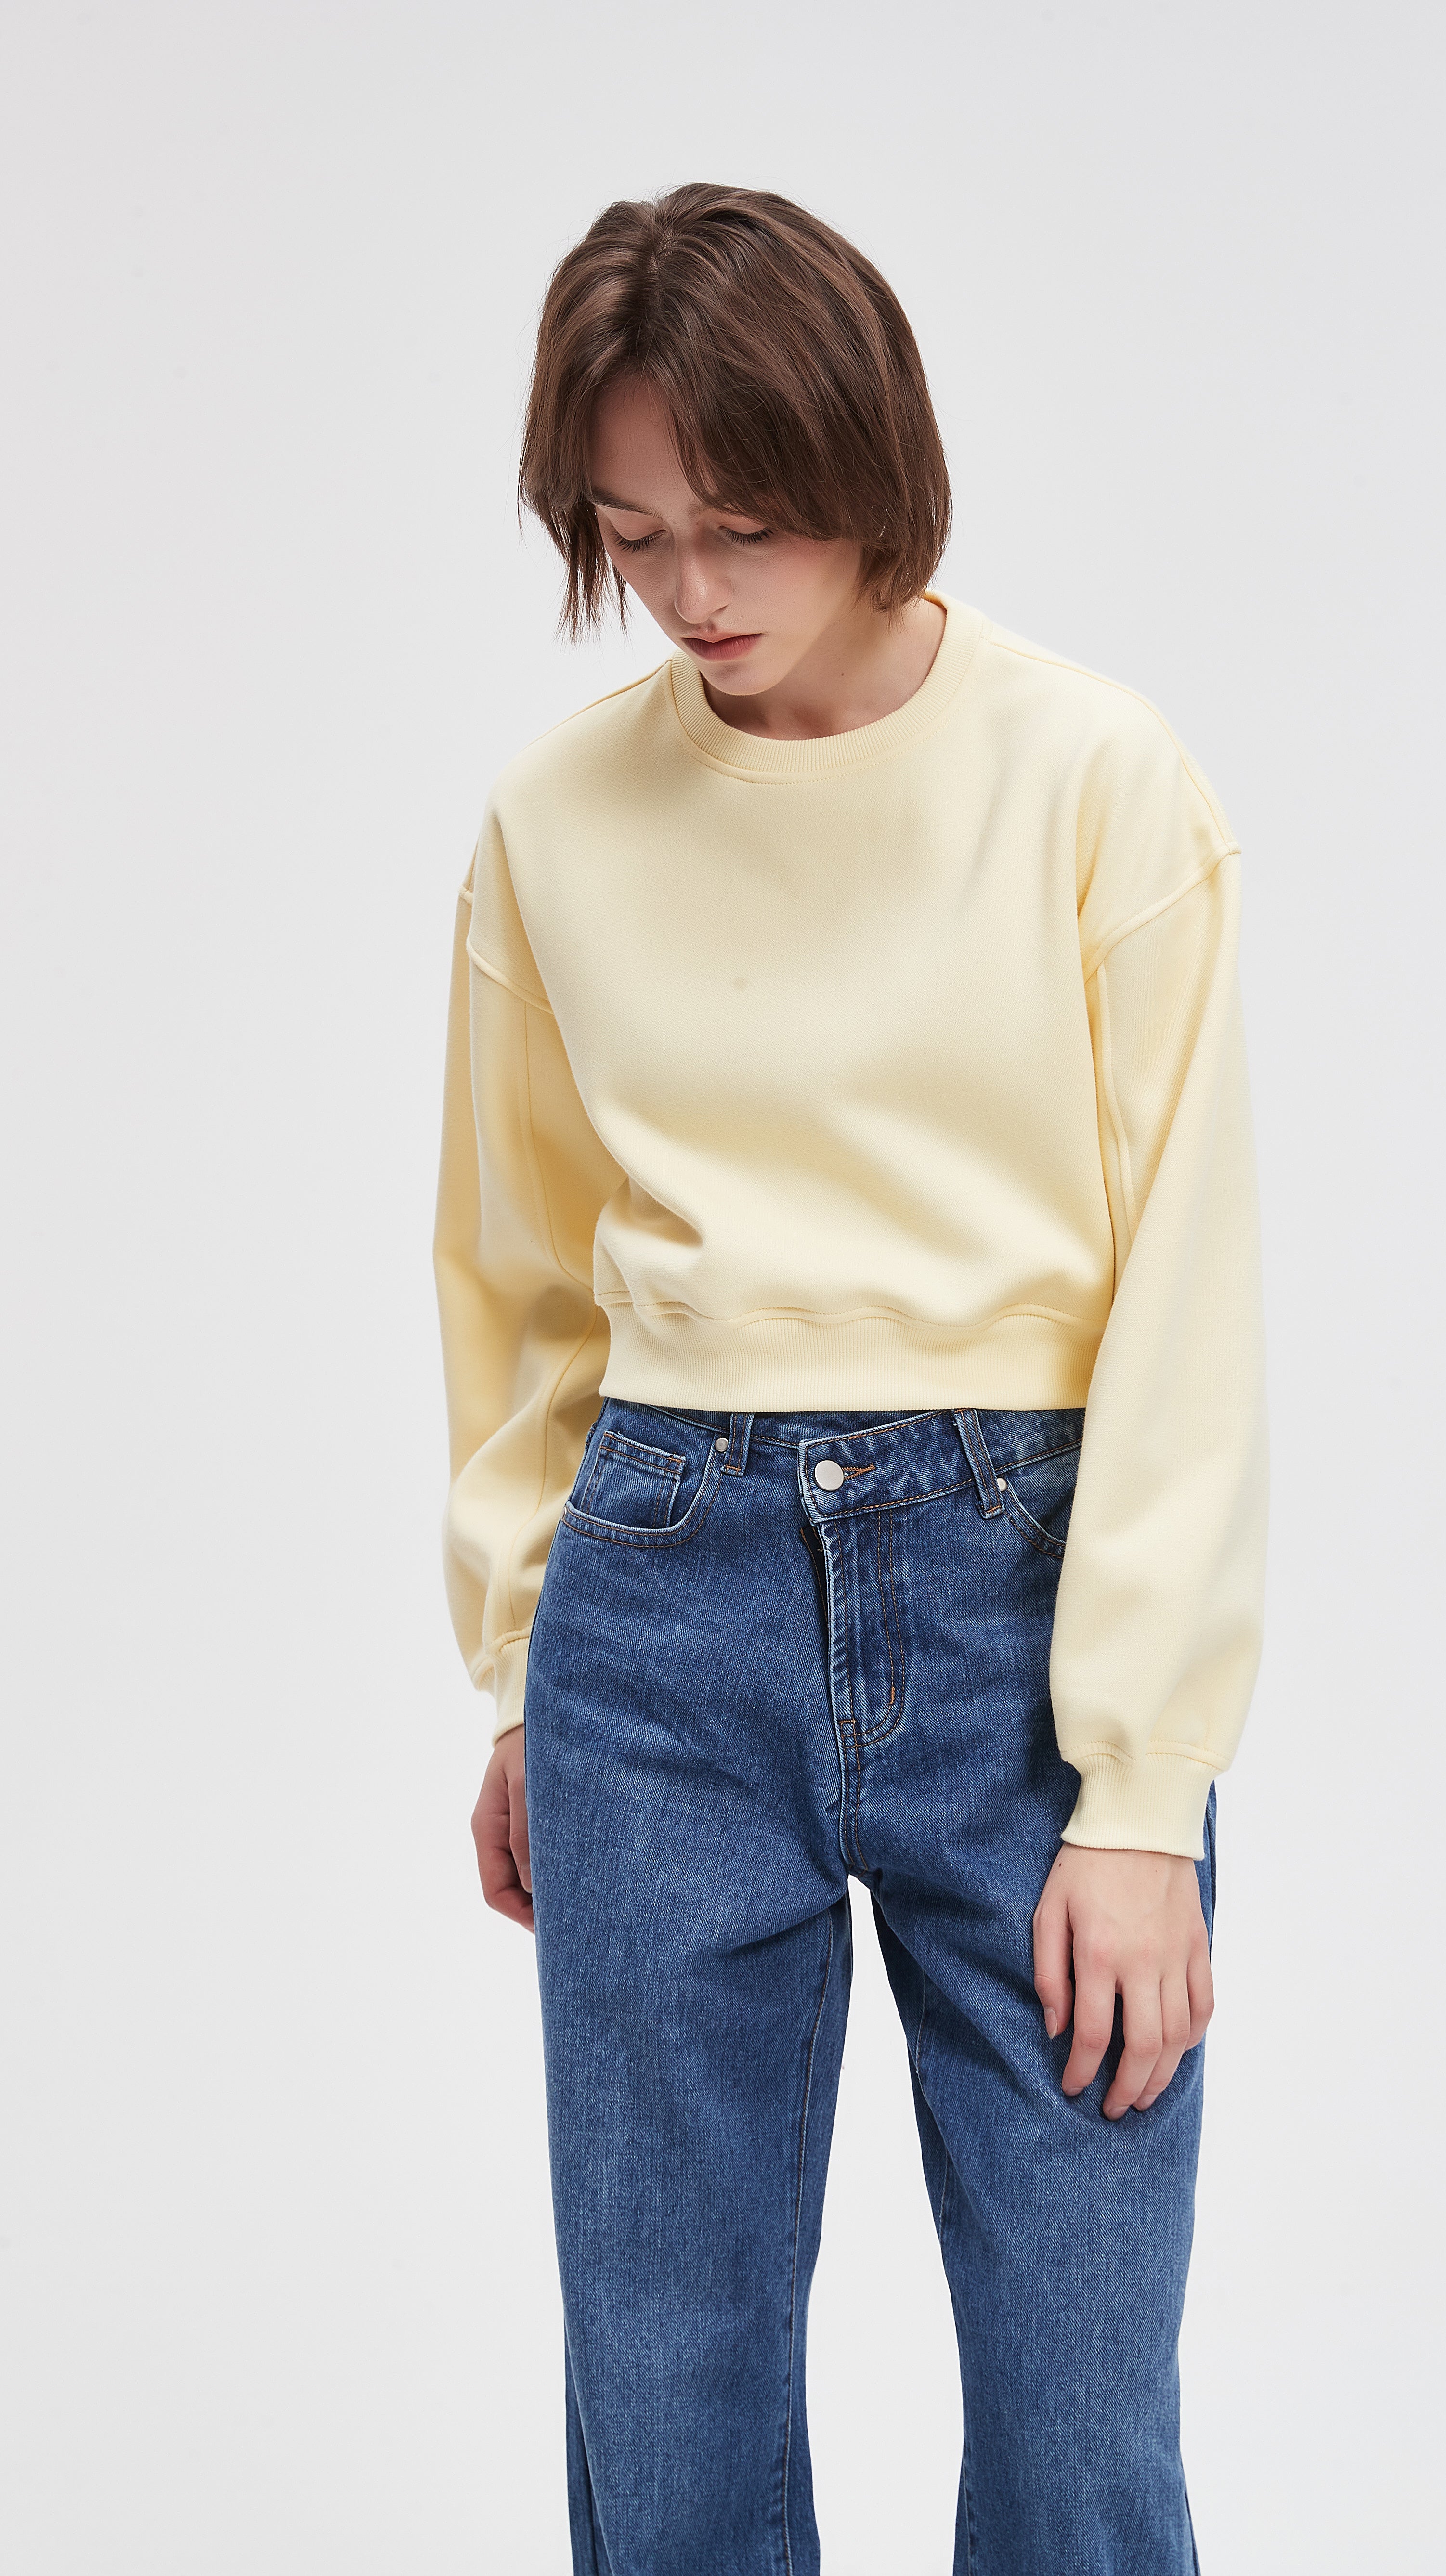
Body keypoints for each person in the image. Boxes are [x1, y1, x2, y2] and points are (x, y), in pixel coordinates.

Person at [433, 180, 1268, 2576]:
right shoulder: (557, 821)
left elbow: (1187, 1290)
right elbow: (516, 1279)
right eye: (631, 536)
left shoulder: (1093, 777)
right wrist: (521, 1669)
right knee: (666, 2403)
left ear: (870, 467)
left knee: (1084, 2429)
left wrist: (1143, 1792)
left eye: (746, 525)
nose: (693, 592)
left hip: (1027, 1607)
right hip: (656, 1617)